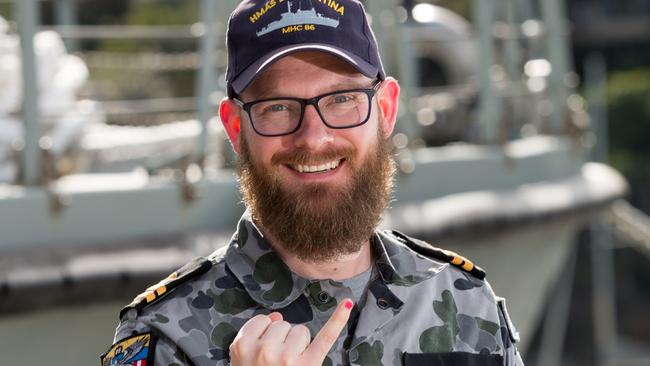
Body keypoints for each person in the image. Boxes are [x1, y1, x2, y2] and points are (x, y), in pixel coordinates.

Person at [102, 1, 524, 365]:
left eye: (342, 99)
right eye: (278, 107)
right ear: (235, 128)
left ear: (387, 109)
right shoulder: (165, 338)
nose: (314, 137)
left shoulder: (467, 300)